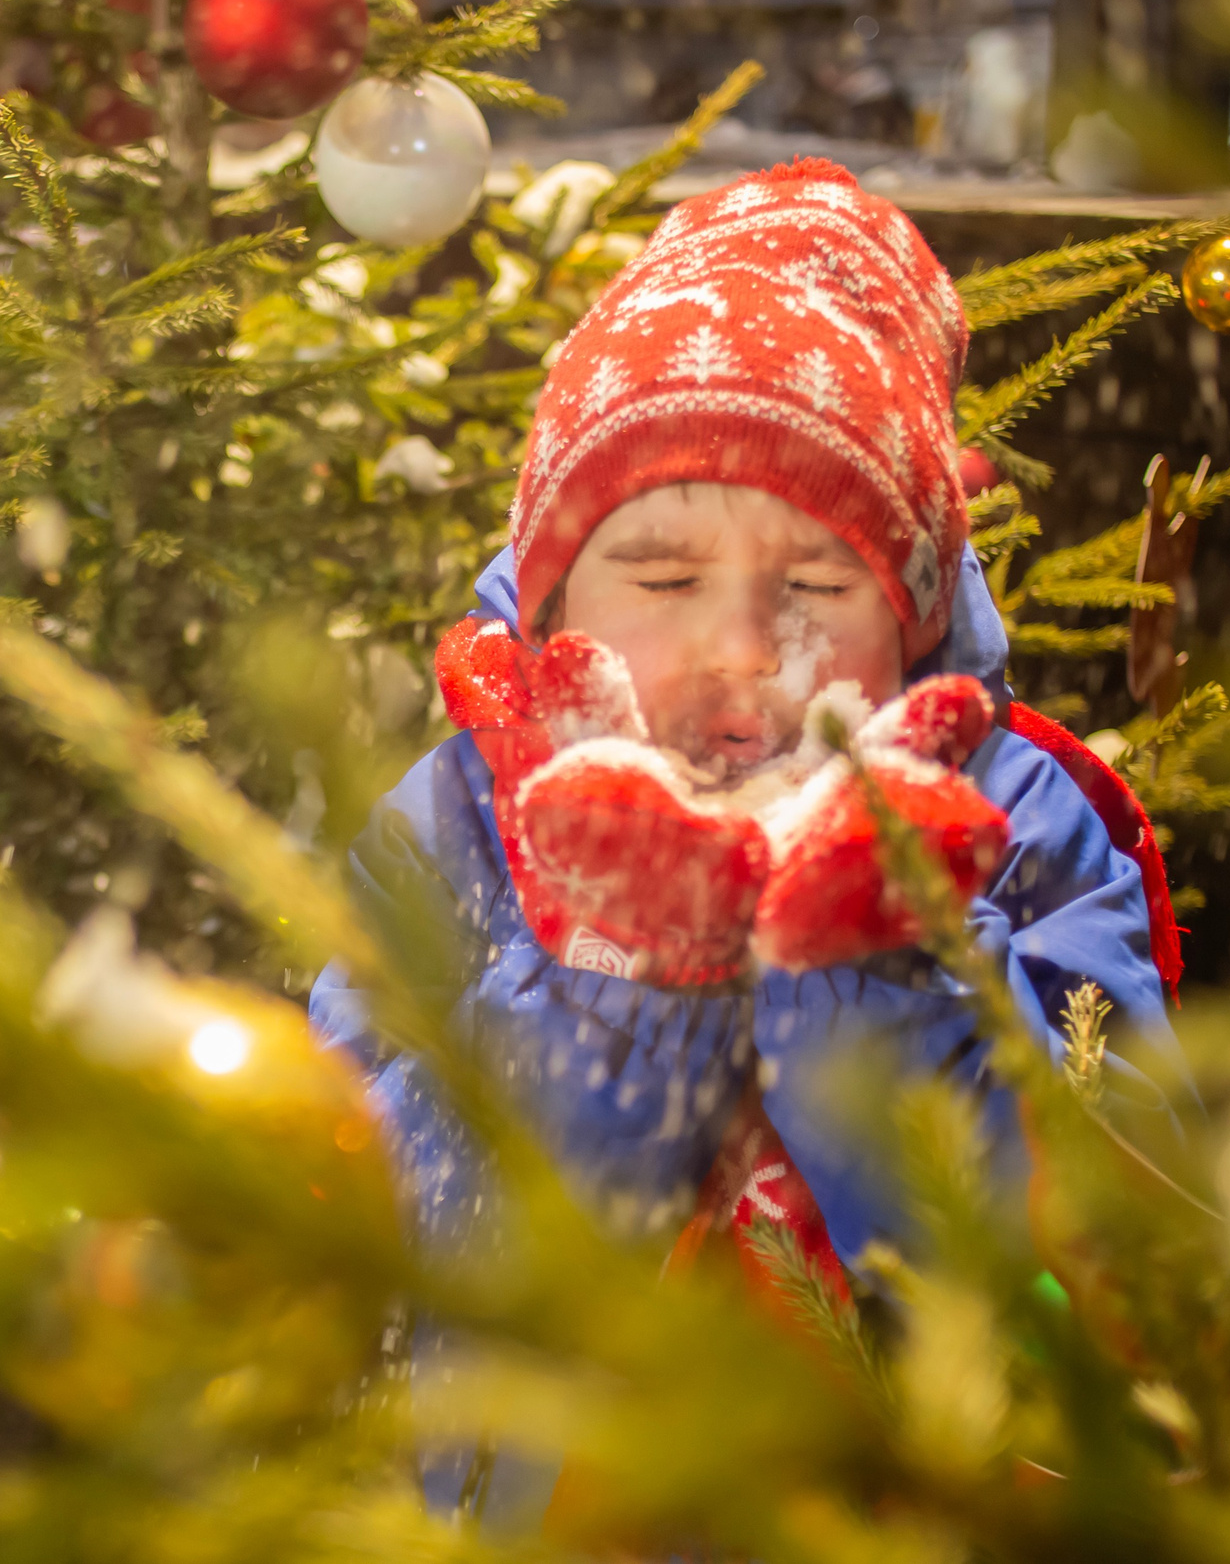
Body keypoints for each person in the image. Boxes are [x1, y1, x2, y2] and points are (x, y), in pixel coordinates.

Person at [308, 159, 1181, 1523]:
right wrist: (623, 977)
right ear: (552, 603)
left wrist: (872, 972)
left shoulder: (1022, 824)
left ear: (911, 617)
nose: (737, 647)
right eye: (661, 578)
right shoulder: (462, 823)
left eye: (818, 583)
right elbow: (376, 1224)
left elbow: (1116, 1252)